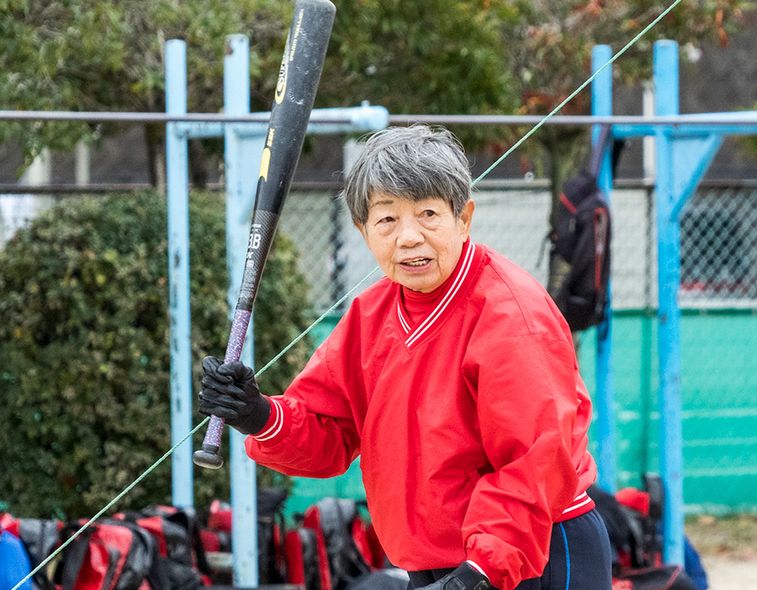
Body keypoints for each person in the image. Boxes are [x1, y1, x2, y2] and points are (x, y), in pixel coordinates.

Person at [199, 125, 614, 590]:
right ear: (363, 229)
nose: (409, 237)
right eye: (387, 220)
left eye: (428, 214)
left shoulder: (511, 314)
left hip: (530, 554)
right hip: (437, 562)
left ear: (465, 217)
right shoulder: (371, 315)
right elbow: (330, 434)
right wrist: (259, 414)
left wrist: (480, 573)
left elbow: (536, 459)